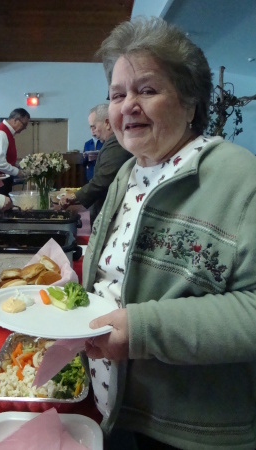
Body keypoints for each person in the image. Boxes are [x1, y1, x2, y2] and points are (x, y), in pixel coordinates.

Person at [82, 17, 256, 450]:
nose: (126, 107)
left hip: (187, 429)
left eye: (147, 90)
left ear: (191, 102)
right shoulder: (128, 172)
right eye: (117, 95)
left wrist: (141, 329)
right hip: (113, 408)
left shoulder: (239, 177)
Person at [60, 103, 131, 225]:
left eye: (94, 127)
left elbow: (104, 179)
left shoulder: (116, 142)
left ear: (108, 123)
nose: (93, 133)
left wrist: (75, 197)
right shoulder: (112, 141)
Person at [0, 108, 30, 195]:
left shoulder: (7, 133)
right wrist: (18, 172)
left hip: (1, 180)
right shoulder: (1, 134)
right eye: (24, 124)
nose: (24, 128)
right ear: (15, 120)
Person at [83, 108, 103, 181]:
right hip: (90, 172)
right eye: (91, 128)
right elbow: (83, 162)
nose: (93, 130)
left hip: (100, 172)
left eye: (94, 128)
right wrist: (85, 157)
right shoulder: (88, 143)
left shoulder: (103, 141)